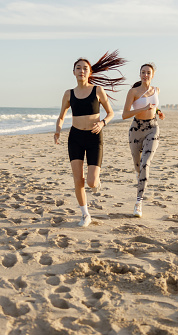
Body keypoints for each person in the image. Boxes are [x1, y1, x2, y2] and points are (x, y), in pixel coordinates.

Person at [54, 50, 127, 227]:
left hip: (95, 137)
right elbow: (62, 115)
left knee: (92, 182)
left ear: (90, 72)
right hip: (75, 137)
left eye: (85, 68)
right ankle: (85, 214)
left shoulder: (97, 90)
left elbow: (111, 113)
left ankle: (96, 181)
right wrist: (57, 130)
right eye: (78, 68)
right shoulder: (68, 93)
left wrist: (102, 123)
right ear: (73, 72)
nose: (81, 71)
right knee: (78, 179)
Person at [122, 63, 165, 217]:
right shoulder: (133, 92)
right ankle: (140, 175)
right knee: (138, 166)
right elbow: (125, 114)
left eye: (148, 72)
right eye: (143, 72)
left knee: (145, 163)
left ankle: (138, 203)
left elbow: (154, 106)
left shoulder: (156, 90)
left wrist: (158, 111)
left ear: (152, 75)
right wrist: (143, 109)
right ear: (139, 74)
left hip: (153, 128)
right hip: (136, 130)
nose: (145, 75)